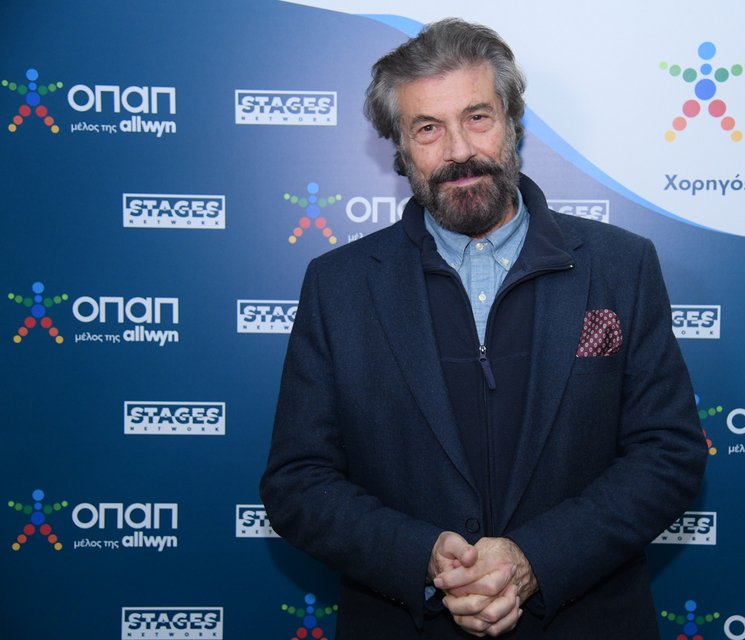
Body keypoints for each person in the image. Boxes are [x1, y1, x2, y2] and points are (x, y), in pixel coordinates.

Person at [261, 18, 706, 639]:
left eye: (477, 118)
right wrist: (422, 557)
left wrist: (534, 560)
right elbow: (297, 482)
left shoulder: (621, 266)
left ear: (512, 122)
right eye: (427, 128)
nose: (458, 151)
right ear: (400, 149)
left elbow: (669, 453)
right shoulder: (338, 286)